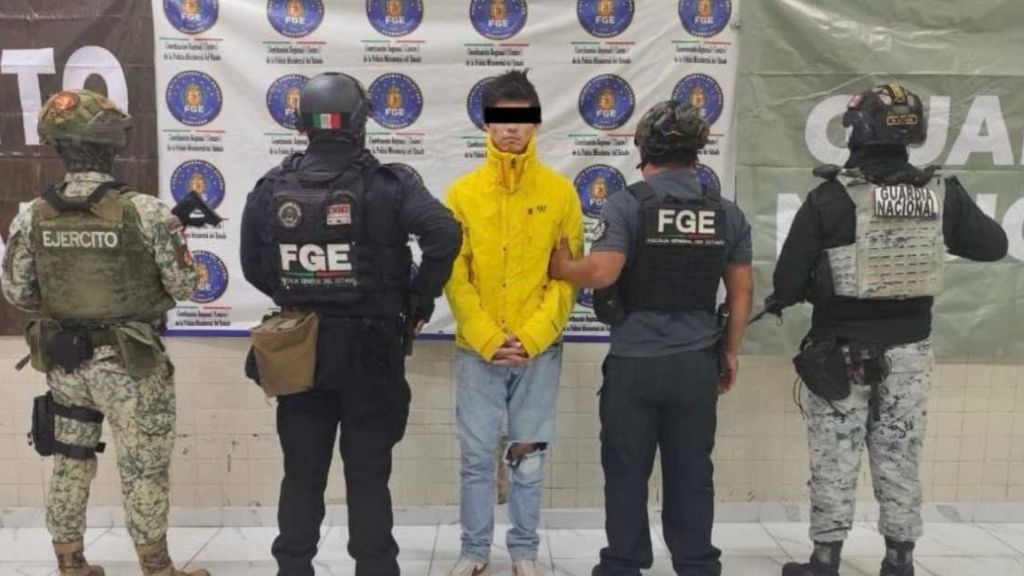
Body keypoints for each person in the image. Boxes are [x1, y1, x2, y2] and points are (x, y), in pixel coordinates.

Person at [766, 83, 1008, 576]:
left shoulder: (830, 198)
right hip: (910, 353)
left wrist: (807, 288)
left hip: (839, 352)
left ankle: (825, 560)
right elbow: (993, 245)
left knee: (834, 458)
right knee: (900, 454)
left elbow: (787, 282)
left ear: (857, 132)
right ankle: (900, 560)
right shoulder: (939, 194)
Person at [239, 72, 461, 576]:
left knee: (301, 474)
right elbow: (444, 234)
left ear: (303, 126)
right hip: (372, 351)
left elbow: (253, 265)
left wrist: (296, 298)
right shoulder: (390, 185)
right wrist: (419, 298)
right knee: (367, 476)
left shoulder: (273, 187)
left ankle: (293, 568)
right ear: (361, 124)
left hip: (300, 349)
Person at [1, 89, 205, 576]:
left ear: (58, 147)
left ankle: (70, 563)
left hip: (66, 365)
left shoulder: (33, 215)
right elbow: (184, 286)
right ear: (113, 145)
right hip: (132, 367)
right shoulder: (147, 212)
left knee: (70, 459)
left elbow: (17, 292)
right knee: (143, 466)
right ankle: (156, 568)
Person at [549, 99, 753, 576]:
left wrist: (562, 267)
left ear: (644, 146)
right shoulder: (726, 213)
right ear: (698, 151)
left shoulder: (628, 204)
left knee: (626, 470)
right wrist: (730, 352)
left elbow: (602, 272)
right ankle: (697, 564)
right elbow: (741, 292)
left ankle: (623, 563)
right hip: (696, 365)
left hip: (635, 364)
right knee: (692, 471)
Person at [444, 70, 583, 576]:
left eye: (520, 118)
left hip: (537, 353)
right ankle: (474, 551)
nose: (510, 128)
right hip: (477, 351)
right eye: (500, 118)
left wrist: (531, 337)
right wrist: (487, 337)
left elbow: (567, 278)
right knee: (477, 459)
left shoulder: (560, 193)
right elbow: (455, 277)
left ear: (535, 123)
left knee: (528, 457)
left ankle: (524, 551)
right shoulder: (462, 194)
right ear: (486, 123)